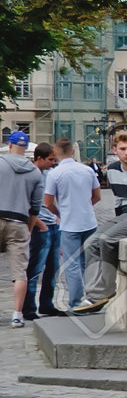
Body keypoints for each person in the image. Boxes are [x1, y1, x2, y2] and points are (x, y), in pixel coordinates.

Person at [72, 130, 127, 314]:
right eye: (122, 149)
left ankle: (105, 290)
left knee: (107, 239)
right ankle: (92, 293)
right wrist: (118, 221)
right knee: (91, 242)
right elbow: (119, 200)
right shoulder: (113, 170)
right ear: (115, 150)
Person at [43, 137, 100, 312]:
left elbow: (48, 202)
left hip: (69, 223)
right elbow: (97, 196)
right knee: (89, 262)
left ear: (55, 152)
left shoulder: (54, 174)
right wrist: (85, 205)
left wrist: (59, 212)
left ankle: (76, 302)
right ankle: (92, 297)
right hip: (88, 221)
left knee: (72, 263)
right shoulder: (87, 170)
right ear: (73, 151)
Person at [1, 132, 44, 328]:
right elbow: (36, 206)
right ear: (26, 148)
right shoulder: (35, 172)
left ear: (9, 145)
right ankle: (17, 314)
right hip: (18, 221)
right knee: (20, 272)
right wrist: (29, 228)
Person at [22, 143, 61, 321]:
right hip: (40, 227)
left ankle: (47, 303)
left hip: (53, 224)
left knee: (53, 267)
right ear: (39, 158)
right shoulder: (29, 175)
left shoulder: (49, 174)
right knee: (35, 267)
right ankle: (29, 308)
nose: (53, 163)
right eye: (51, 160)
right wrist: (38, 223)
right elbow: (24, 202)